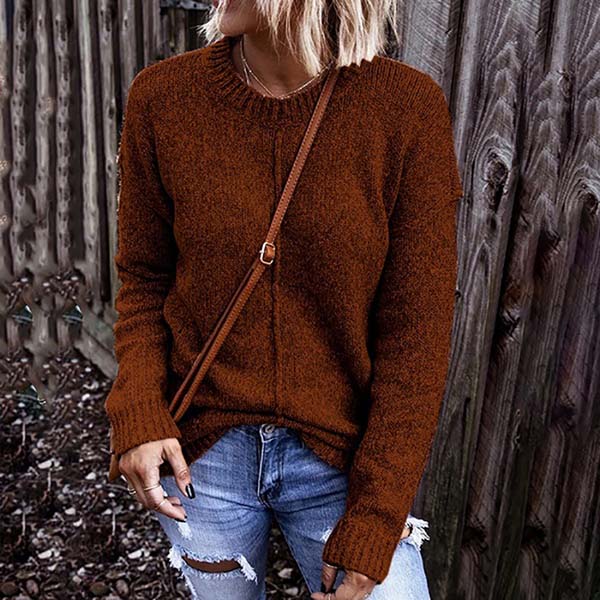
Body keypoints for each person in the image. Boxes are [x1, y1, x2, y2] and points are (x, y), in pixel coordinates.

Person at [105, 0, 463, 598]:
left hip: (341, 463)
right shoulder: (162, 99)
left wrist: (376, 518)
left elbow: (417, 341)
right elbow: (143, 280)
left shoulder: (406, 111)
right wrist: (139, 409)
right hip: (202, 459)